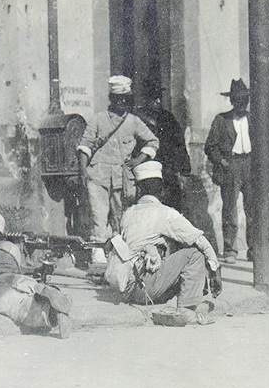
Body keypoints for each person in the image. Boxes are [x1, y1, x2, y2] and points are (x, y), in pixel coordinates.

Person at [104, 161, 223, 326]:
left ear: (139, 189)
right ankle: (186, 311)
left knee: (175, 251)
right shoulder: (165, 214)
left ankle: (189, 298)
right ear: (162, 190)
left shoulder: (128, 213)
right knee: (194, 255)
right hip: (143, 288)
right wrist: (215, 270)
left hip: (127, 288)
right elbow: (199, 239)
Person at [77, 75, 160, 264]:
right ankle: (98, 253)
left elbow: (153, 141)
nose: (122, 102)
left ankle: (118, 254)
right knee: (98, 215)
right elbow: (85, 145)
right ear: (111, 99)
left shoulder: (133, 121)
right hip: (98, 175)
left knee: (121, 216)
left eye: (126, 99)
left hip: (123, 179)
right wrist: (83, 171)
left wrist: (138, 160)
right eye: (118, 99)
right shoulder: (98, 119)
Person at [0, 212, 72, 337]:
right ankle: (44, 291)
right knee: (29, 288)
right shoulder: (10, 247)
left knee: (17, 306)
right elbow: (17, 268)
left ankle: (49, 313)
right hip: (16, 278)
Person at [204, 78, 255, 264]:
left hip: (250, 165)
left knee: (253, 209)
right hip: (231, 165)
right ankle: (230, 249)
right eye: (238, 99)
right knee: (230, 210)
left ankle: (254, 249)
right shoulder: (221, 120)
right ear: (232, 100)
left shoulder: (254, 119)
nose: (242, 103)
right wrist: (222, 161)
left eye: (245, 99)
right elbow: (210, 146)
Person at [135, 82, 191, 212]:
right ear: (146, 99)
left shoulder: (168, 118)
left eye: (159, 97)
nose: (158, 101)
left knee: (171, 208)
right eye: (154, 98)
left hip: (167, 172)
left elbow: (179, 146)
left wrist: (185, 171)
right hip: (146, 172)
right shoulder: (136, 119)